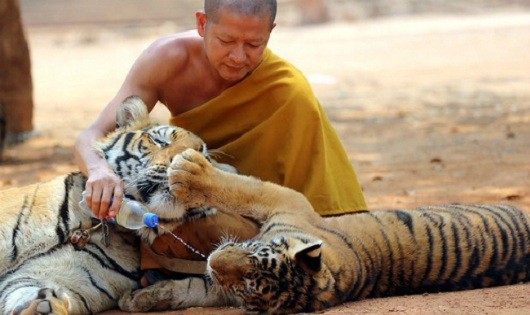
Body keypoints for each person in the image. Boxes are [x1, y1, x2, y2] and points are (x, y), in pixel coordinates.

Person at [74, 0, 367, 286]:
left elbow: (314, 198)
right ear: (202, 24)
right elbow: (91, 135)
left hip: (259, 209)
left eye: (253, 45)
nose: (238, 56)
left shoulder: (289, 91)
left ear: (270, 31)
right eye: (226, 40)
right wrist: (99, 171)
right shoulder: (167, 60)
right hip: (192, 190)